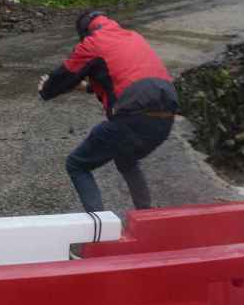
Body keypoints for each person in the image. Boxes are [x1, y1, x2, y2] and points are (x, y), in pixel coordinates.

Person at [39, 11, 178, 212]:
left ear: (84, 31)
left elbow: (66, 74)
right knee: (126, 158)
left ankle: (99, 229)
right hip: (165, 118)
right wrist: (86, 87)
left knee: (77, 164)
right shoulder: (133, 36)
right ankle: (146, 216)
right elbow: (123, 77)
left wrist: (45, 90)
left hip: (132, 118)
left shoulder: (92, 43)